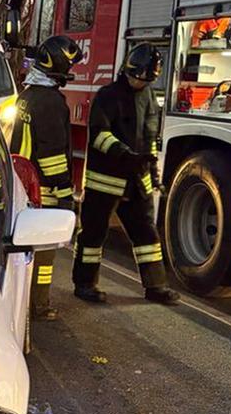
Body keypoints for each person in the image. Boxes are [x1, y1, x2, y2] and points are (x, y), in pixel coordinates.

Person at [72, 43, 180, 306]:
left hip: (137, 179)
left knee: (147, 235)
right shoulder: (108, 96)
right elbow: (99, 135)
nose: (139, 83)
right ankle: (85, 284)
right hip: (106, 180)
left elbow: (150, 135)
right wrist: (124, 154)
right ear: (127, 70)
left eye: (145, 80)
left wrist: (152, 171)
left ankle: (156, 286)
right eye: (136, 78)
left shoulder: (148, 96)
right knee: (93, 235)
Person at [10, 35, 83, 320]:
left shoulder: (28, 95)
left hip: (22, 184)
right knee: (44, 254)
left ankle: (25, 301)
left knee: (24, 250)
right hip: (43, 189)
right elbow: (52, 154)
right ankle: (38, 306)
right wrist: (65, 195)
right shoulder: (51, 102)